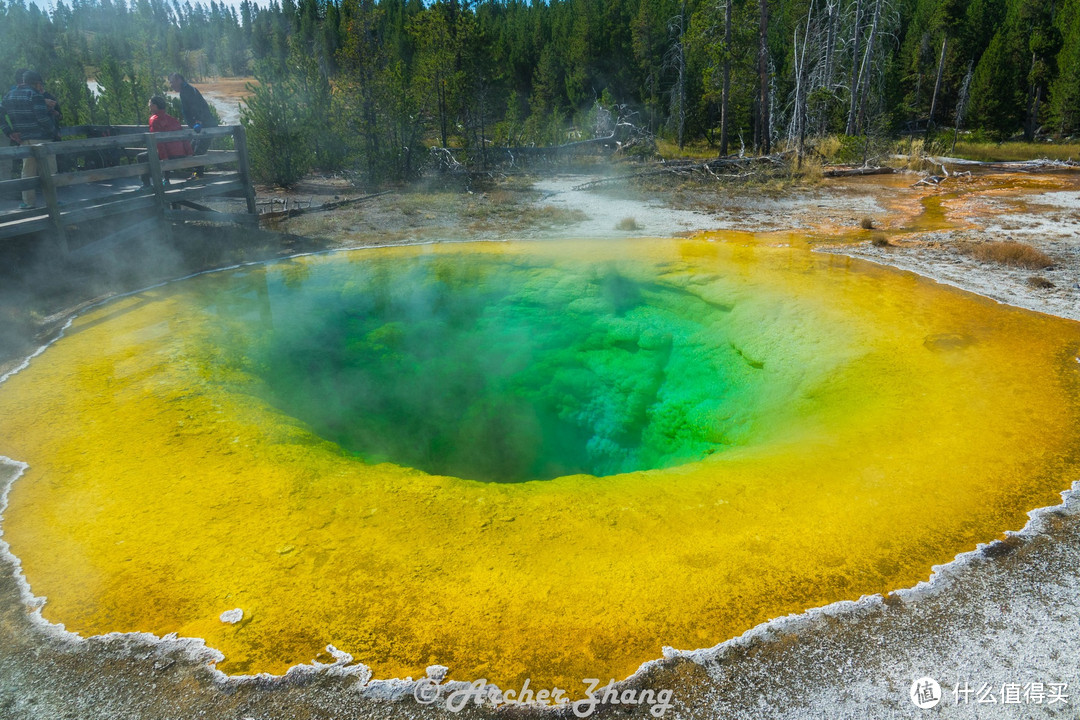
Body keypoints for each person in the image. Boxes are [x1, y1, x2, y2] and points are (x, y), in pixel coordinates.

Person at [1, 70, 58, 208]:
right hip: (42, 139)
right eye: (40, 83)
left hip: (24, 139)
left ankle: (28, 202)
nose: (41, 86)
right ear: (36, 83)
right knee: (50, 171)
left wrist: (9, 131)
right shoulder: (35, 95)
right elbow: (42, 118)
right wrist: (54, 131)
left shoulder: (9, 95)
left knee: (28, 172)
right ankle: (51, 202)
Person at [168, 73, 217, 178]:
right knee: (191, 149)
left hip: (205, 126)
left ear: (179, 80)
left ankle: (198, 176)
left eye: (172, 82)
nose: (171, 85)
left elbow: (197, 106)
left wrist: (198, 122)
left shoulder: (188, 90)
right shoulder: (184, 91)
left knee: (198, 152)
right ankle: (196, 175)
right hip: (199, 127)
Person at [138, 95, 192, 186]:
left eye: (150, 104)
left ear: (155, 106)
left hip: (169, 155)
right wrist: (189, 152)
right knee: (163, 152)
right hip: (180, 154)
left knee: (142, 157)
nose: (149, 106)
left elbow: (158, 141)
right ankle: (166, 179)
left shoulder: (154, 119)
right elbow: (184, 137)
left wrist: (164, 158)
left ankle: (146, 185)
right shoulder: (173, 119)